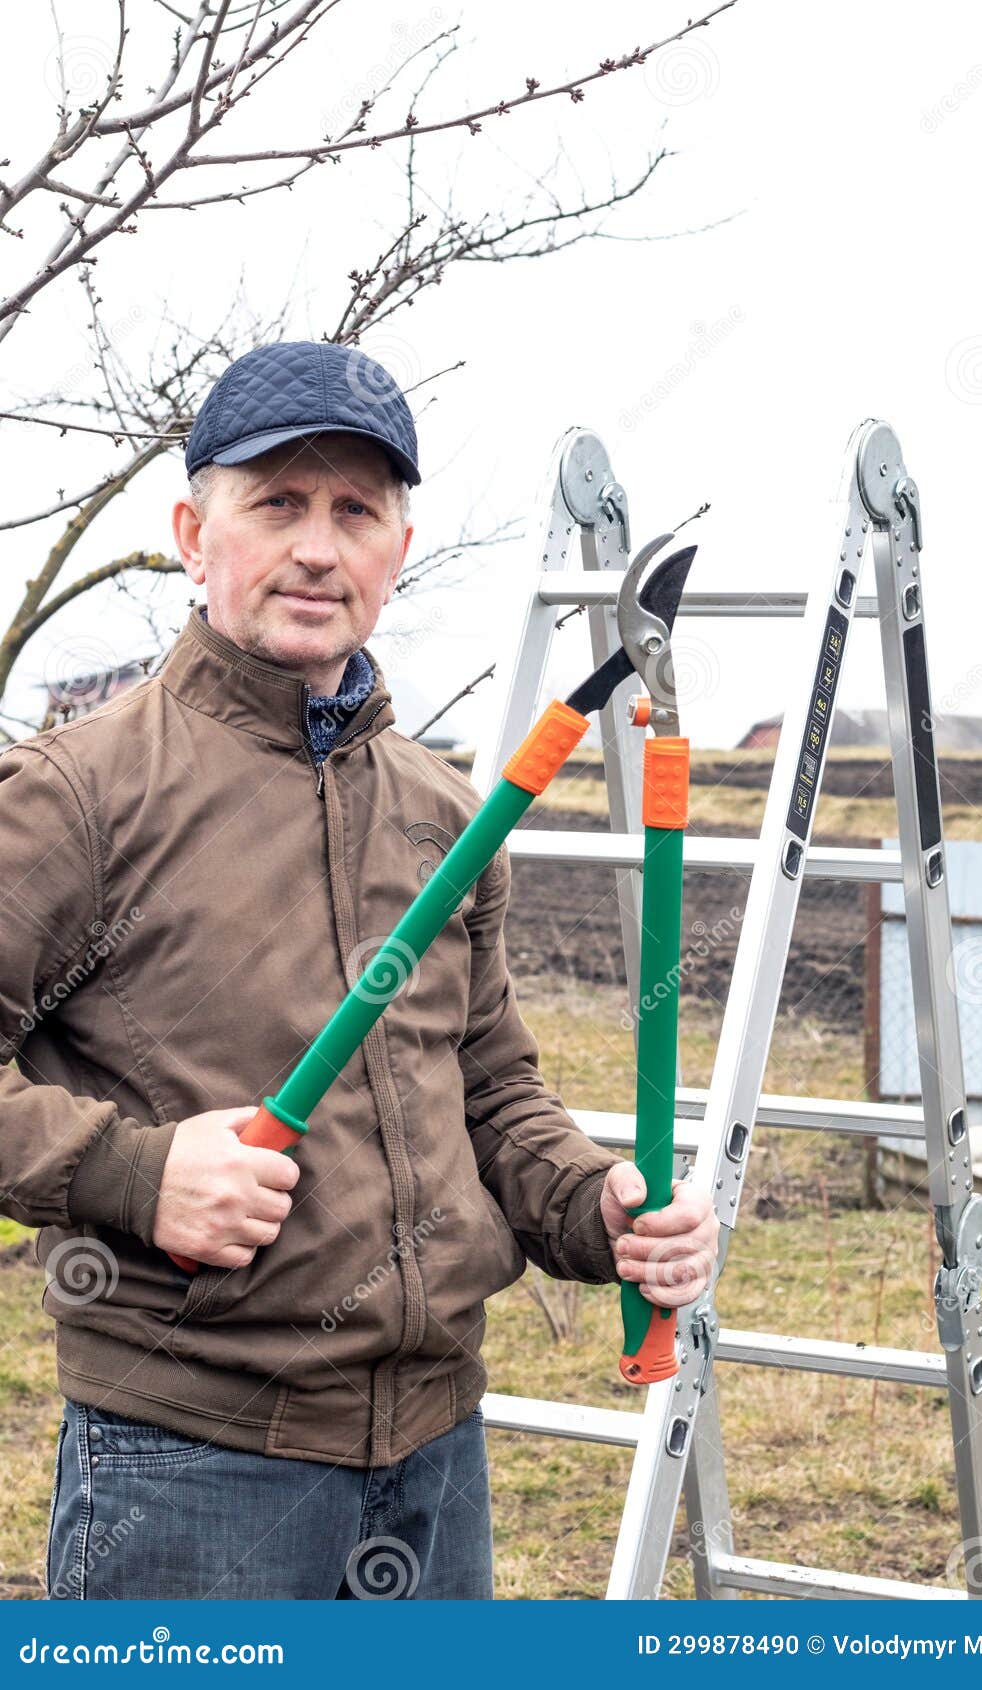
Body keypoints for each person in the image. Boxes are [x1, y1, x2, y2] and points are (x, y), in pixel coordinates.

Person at [0, 340, 718, 1600]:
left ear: (397, 544)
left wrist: (593, 1204)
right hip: (189, 1470)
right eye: (275, 503)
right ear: (192, 529)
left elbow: (490, 1096)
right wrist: (138, 1173)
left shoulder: (449, 813)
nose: (317, 548)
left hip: (435, 1458)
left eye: (355, 510)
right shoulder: (77, 797)